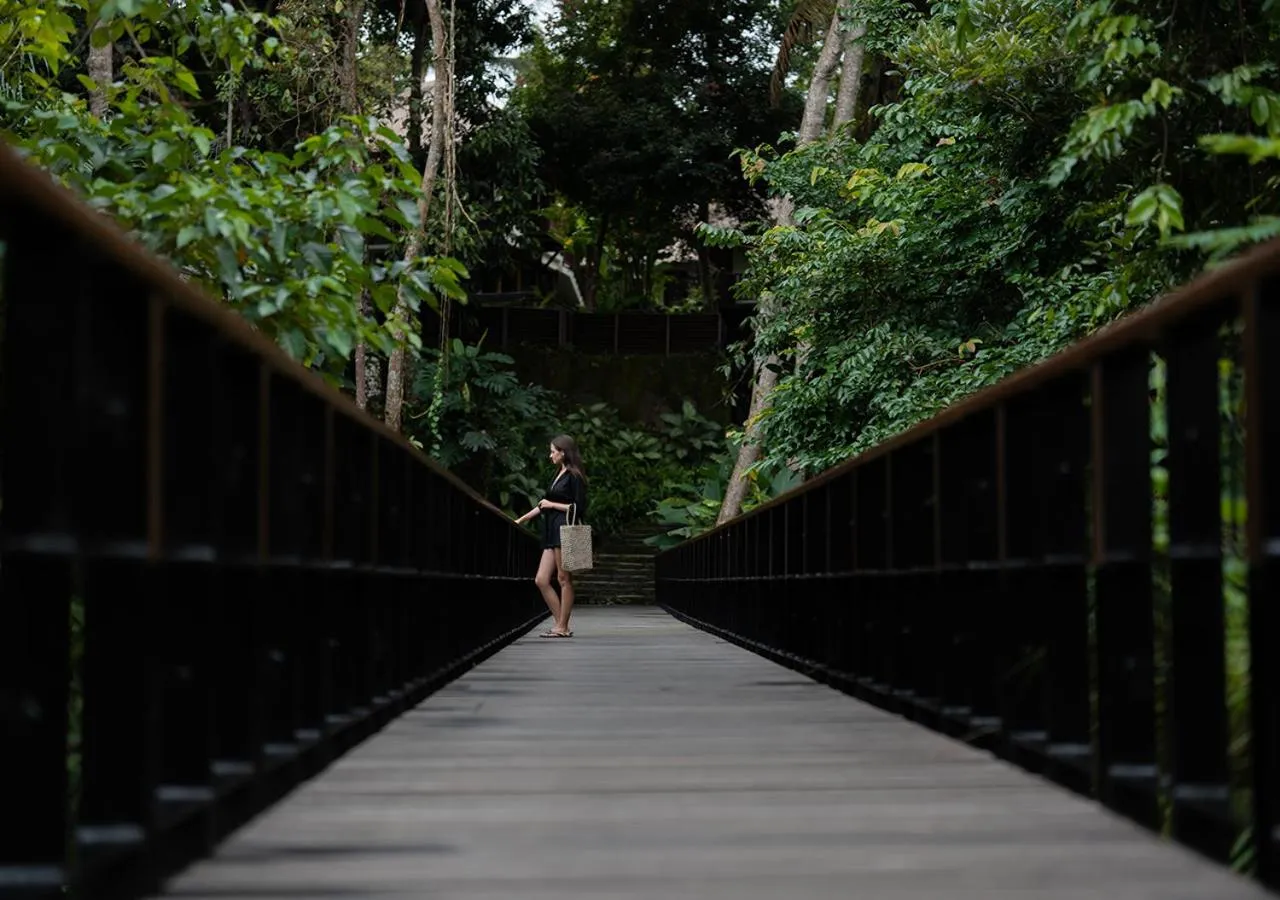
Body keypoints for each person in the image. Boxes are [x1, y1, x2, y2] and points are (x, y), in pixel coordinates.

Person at [514, 434, 588, 638]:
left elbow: (578, 508)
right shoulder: (558, 473)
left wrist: (552, 505)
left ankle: (562, 627)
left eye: (553, 451)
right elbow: (543, 503)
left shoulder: (574, 475)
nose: (550, 455)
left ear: (563, 452)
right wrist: (521, 520)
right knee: (541, 579)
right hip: (551, 530)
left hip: (564, 528)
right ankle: (560, 624)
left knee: (564, 578)